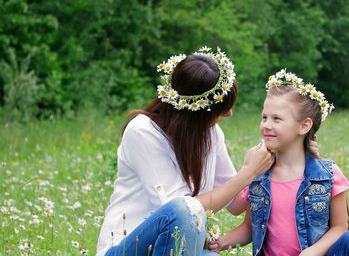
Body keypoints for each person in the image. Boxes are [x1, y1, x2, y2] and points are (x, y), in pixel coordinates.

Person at [96, 47, 275, 256]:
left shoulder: (210, 134)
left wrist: (274, 162)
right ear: (196, 112)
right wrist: (248, 173)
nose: (229, 114)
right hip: (128, 248)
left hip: (181, 249)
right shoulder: (142, 131)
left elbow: (234, 204)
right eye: (220, 108)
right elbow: (181, 213)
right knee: (183, 209)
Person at [208, 69, 349, 256]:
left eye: (277, 119)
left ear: (304, 125)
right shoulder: (259, 175)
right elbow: (249, 228)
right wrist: (220, 242)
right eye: (264, 117)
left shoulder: (328, 175)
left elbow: (339, 228)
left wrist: (310, 253)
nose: (267, 125)